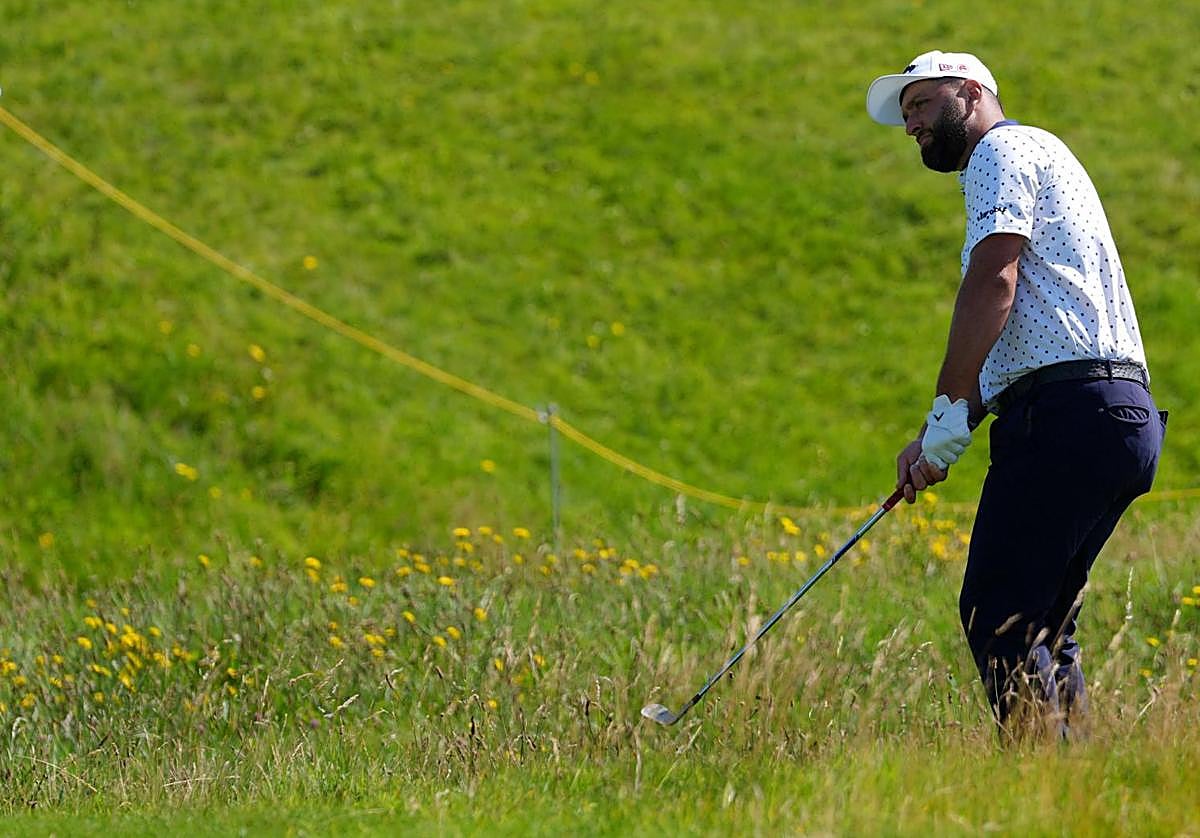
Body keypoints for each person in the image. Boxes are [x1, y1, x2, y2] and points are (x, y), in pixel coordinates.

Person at [865, 50, 1166, 741]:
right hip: (1114, 414)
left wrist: (945, 409)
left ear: (971, 93)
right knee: (1042, 626)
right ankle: (1069, 788)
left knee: (997, 611)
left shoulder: (1000, 151)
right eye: (905, 113)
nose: (911, 124)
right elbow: (1027, 332)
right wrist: (943, 433)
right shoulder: (1040, 152)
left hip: (1065, 415)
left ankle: (1039, 783)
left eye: (922, 103)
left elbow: (993, 280)